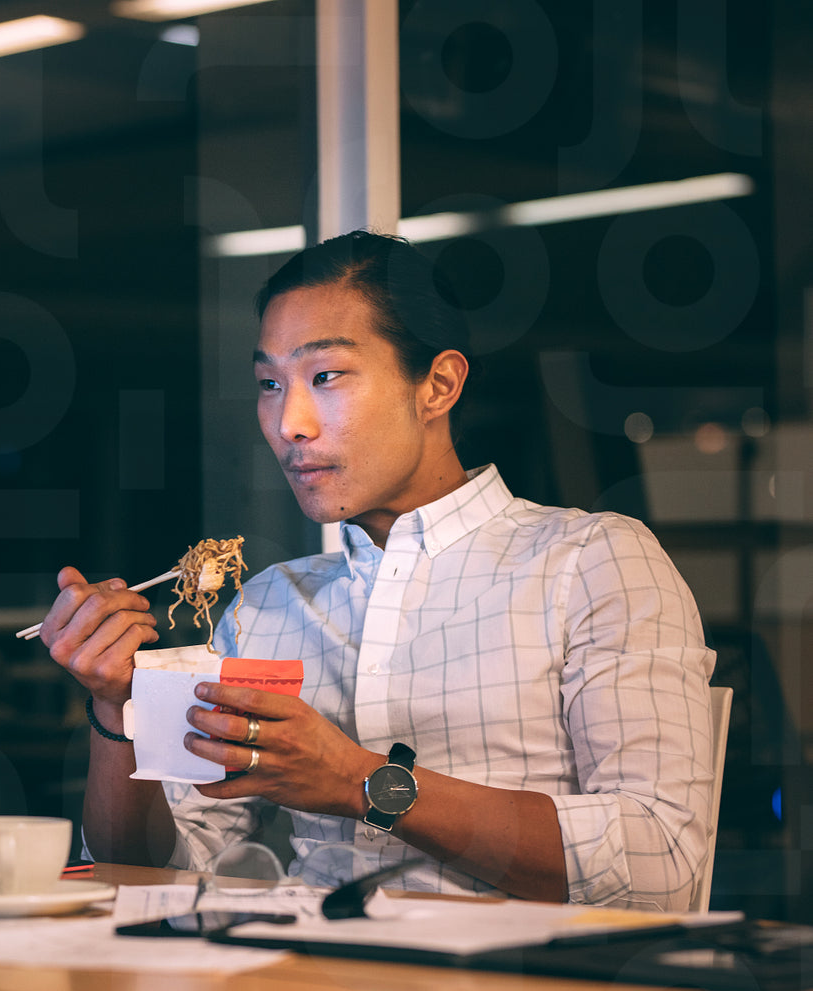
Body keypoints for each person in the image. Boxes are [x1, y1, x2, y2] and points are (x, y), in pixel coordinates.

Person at [39, 229, 715, 910]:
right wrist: (114, 707)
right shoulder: (269, 604)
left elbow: (661, 862)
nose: (289, 423)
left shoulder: (589, 560)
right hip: (315, 961)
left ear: (438, 385)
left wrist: (360, 783)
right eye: (270, 384)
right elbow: (148, 871)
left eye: (325, 376)